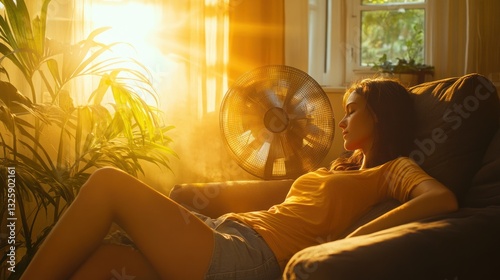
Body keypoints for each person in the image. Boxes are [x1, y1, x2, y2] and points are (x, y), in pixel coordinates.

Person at [20, 78, 458, 280]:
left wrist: (359, 235)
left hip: (249, 258)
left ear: (380, 116)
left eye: (352, 109)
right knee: (100, 263)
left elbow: (442, 200)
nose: (343, 121)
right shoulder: (338, 169)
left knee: (108, 183)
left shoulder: (392, 170)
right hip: (230, 232)